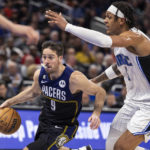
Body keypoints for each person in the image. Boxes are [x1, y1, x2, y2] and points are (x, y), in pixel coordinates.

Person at [45, 1, 150, 150]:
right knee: (111, 146)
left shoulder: (135, 37)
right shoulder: (121, 45)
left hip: (148, 105)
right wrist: (94, 81)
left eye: (109, 17)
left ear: (121, 20)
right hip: (132, 102)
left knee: (122, 147)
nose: (105, 20)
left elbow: (103, 41)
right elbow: (120, 67)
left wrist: (68, 27)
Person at [0, 41, 106, 150]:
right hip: (45, 121)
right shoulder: (40, 74)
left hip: (64, 126)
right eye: (44, 57)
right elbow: (33, 92)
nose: (46, 61)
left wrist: (96, 114)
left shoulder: (74, 79)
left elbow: (100, 92)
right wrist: (9, 102)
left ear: (60, 58)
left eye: (51, 57)